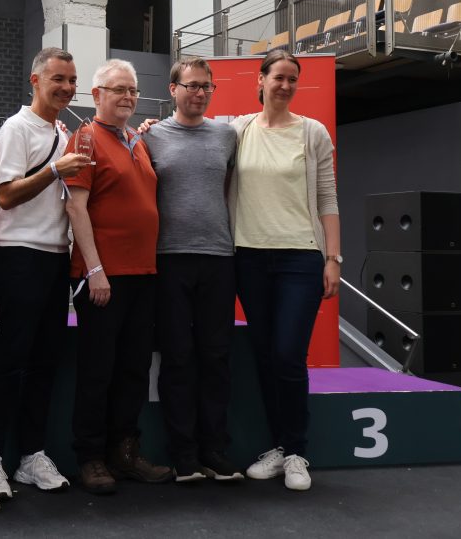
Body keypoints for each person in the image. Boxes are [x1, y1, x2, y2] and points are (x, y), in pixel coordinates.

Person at [0, 47, 91, 497]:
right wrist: (55, 169)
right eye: (58, 78)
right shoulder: (16, 127)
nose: (66, 87)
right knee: (11, 359)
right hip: (18, 254)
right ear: (35, 80)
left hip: (55, 256)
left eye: (72, 80)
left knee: (45, 361)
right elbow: (5, 196)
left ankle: (31, 455)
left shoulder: (63, 132)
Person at [229, 49, 341, 492]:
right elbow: (191, 131)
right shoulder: (237, 130)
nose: (286, 85)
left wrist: (333, 259)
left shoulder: (312, 133)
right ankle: (277, 447)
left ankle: (296, 451)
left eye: (293, 78)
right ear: (260, 80)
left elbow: (328, 198)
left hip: (300, 259)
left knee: (288, 355)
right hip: (249, 257)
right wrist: (147, 128)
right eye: (278, 77)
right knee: (263, 355)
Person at [64, 59, 170, 494]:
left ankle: (124, 452)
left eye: (132, 90)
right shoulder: (85, 138)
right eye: (118, 89)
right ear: (96, 95)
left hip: (143, 274)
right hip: (104, 277)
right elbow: (75, 207)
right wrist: (95, 270)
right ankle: (90, 457)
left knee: (133, 369)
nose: (128, 96)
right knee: (98, 371)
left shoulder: (136, 141)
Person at [142, 57, 243, 483]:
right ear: (173, 89)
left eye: (206, 86)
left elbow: (230, 188)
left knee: (215, 357)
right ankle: (184, 454)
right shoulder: (150, 137)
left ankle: (214, 450)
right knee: (178, 358)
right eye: (191, 86)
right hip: (169, 260)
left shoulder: (227, 136)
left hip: (218, 258)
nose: (199, 93)